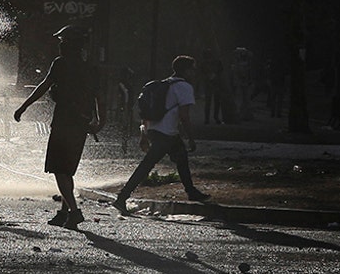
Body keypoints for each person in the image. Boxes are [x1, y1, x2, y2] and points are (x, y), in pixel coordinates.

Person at [13, 26, 102, 227]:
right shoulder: (90, 67)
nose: (60, 45)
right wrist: (99, 121)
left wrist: (23, 107)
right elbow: (98, 97)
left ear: (69, 45)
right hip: (82, 124)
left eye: (63, 42)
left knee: (58, 169)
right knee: (67, 169)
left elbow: (44, 86)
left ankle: (74, 210)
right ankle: (64, 214)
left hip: (63, 122)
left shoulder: (61, 64)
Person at [113, 54, 210, 212]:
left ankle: (191, 191)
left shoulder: (163, 85)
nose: (194, 72)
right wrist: (191, 138)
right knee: (147, 165)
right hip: (166, 134)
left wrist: (144, 135)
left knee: (181, 157)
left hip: (156, 131)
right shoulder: (185, 87)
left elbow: (146, 113)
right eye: (192, 69)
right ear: (186, 71)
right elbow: (184, 116)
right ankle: (122, 197)